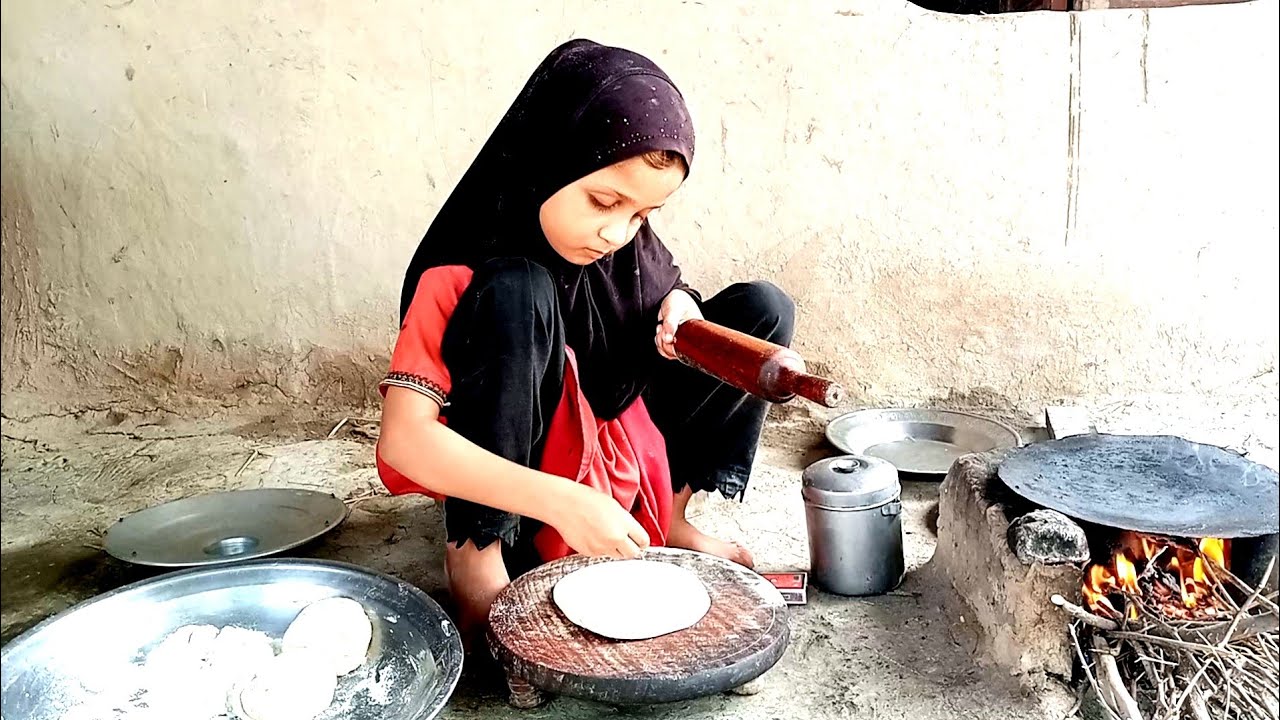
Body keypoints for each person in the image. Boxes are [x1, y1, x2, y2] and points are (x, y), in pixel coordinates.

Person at [375, 39, 795, 640]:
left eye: (641, 216)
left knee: (761, 312)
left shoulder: (624, 253)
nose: (616, 233)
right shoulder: (465, 271)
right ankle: (477, 555)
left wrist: (682, 304)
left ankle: (669, 515)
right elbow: (403, 441)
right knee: (521, 290)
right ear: (551, 160)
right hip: (526, 476)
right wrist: (560, 502)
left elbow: (664, 301)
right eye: (604, 201)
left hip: (622, 443)